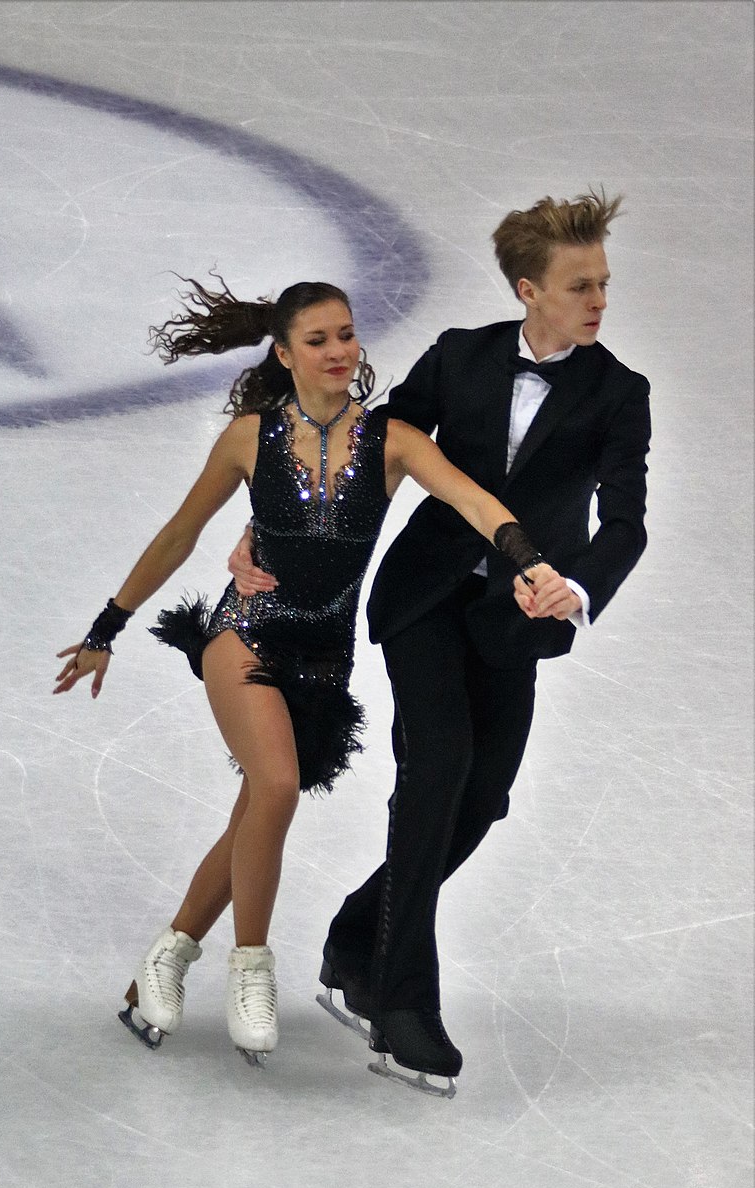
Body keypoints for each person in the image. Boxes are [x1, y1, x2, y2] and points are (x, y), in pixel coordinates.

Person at [53, 276, 564, 1071]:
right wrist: (107, 627)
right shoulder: (248, 437)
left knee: (257, 805)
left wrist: (526, 561)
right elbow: (178, 534)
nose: (338, 351)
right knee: (279, 787)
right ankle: (250, 968)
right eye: (318, 340)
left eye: (347, 335)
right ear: (285, 353)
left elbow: (472, 499)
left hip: (323, 659)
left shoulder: (393, 439)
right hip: (246, 633)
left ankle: (169, 953)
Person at [229, 189, 652, 1095]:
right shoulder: (459, 360)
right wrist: (270, 527)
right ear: (529, 289)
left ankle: (356, 934)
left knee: (484, 796)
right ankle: (401, 1002)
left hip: (518, 618)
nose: (599, 302)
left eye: (604, 285)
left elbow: (626, 522)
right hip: (423, 603)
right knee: (437, 768)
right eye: (582, 286)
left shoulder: (619, 393)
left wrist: (575, 587)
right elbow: (360, 442)